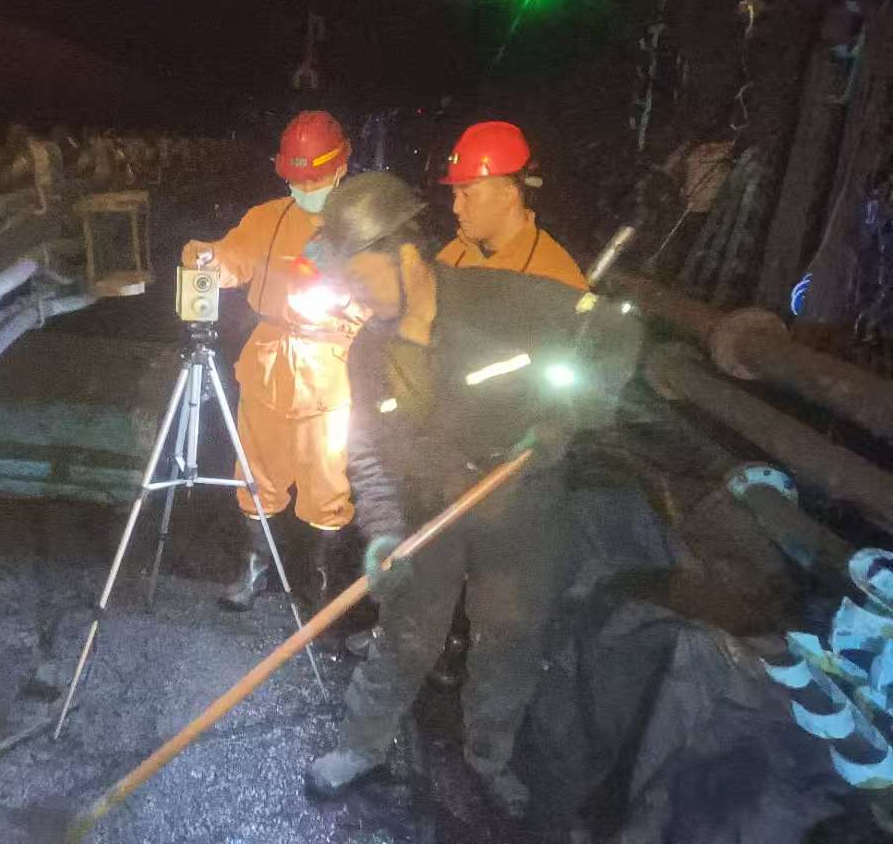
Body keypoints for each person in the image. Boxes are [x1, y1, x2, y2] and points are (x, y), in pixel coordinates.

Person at [304, 172, 641, 817]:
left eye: (359, 278)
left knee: (509, 642)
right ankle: (360, 746)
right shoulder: (370, 352)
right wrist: (382, 529)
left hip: (521, 507)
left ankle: (489, 758)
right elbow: (367, 447)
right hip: (429, 510)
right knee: (405, 635)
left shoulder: (506, 299)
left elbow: (617, 333)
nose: (354, 296)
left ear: (405, 253)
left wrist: (568, 419)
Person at [181, 111, 364, 611]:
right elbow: (234, 257)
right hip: (267, 363)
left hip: (329, 369)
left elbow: (384, 296)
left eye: (315, 181)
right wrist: (208, 259)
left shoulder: (361, 227)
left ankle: (321, 586)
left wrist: (345, 305)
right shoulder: (268, 218)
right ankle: (254, 570)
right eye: (296, 181)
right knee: (255, 474)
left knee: (325, 485)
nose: (305, 189)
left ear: (341, 169)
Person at [437, 121, 588, 291]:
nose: (456, 208)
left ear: (508, 195)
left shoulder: (554, 279)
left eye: (467, 194)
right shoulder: (453, 257)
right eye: (455, 194)